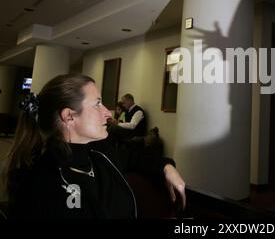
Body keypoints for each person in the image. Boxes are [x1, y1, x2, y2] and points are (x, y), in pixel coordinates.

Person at [3, 74, 186, 218]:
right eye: (98, 104)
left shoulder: (100, 151)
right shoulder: (42, 181)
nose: (108, 113)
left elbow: (135, 158)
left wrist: (166, 167)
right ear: (69, 116)